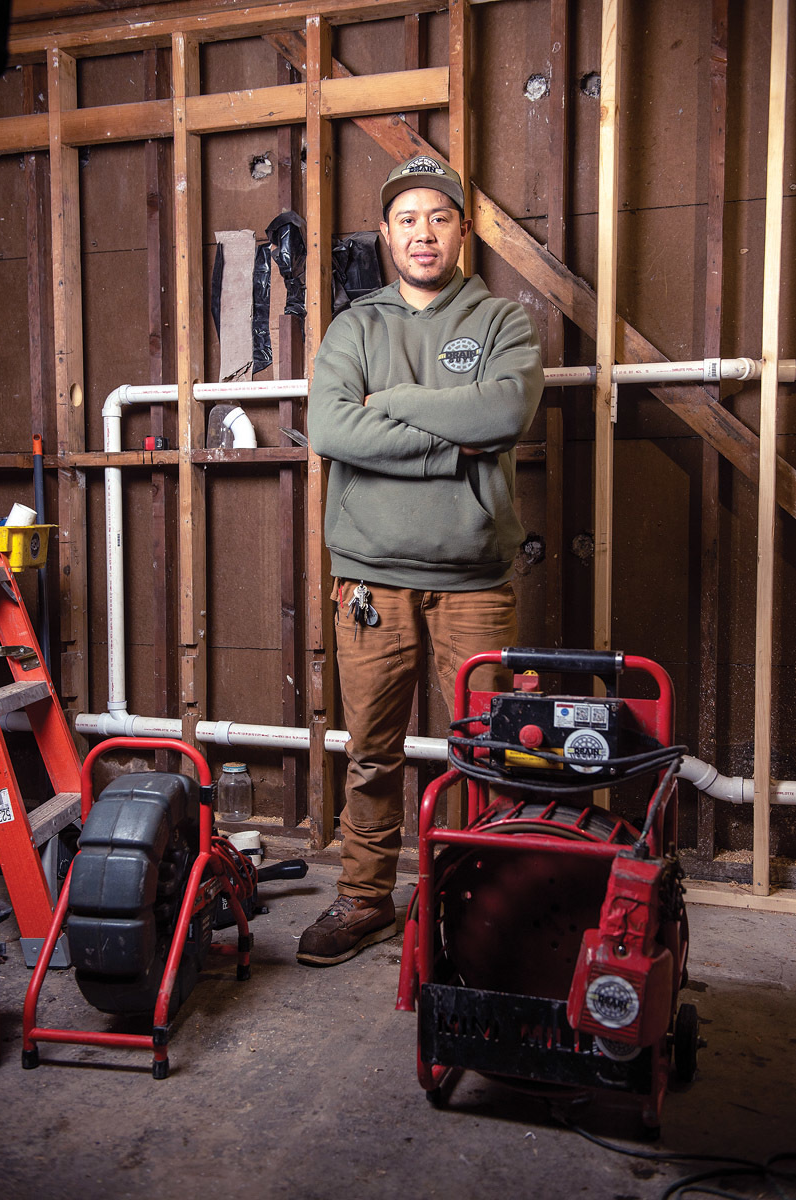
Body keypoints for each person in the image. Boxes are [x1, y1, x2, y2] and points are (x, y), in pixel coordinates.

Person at [298, 154, 544, 966]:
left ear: (461, 230)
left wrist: (394, 404)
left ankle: (485, 904)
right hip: (370, 579)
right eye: (407, 219)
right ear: (386, 233)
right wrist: (450, 442)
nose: (423, 233)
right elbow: (333, 429)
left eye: (438, 217)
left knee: (492, 753)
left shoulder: (500, 321)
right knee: (371, 753)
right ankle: (365, 898)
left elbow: (503, 412)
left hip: (474, 580)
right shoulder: (354, 327)